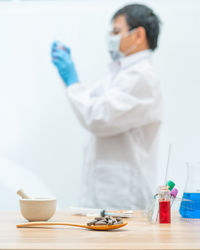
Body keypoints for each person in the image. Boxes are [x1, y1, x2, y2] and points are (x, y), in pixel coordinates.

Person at [51, 4, 162, 209]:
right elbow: (91, 101)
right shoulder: (121, 74)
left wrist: (71, 81)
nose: (111, 37)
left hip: (123, 197)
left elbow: (97, 117)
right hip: (109, 194)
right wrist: (71, 80)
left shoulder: (141, 77)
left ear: (138, 35)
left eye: (116, 31)